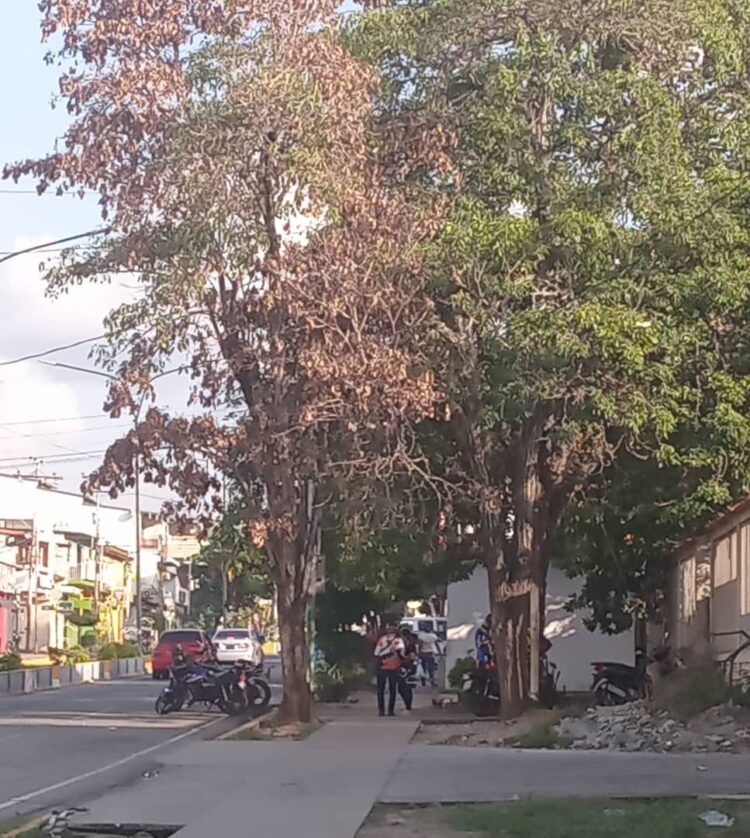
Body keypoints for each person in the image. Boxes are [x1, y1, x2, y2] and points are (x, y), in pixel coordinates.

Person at [373, 624, 405, 717]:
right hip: (394, 667)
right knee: (392, 690)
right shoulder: (399, 640)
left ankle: (381, 711)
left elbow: (376, 653)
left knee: (380, 690)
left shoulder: (382, 639)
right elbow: (402, 653)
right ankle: (391, 711)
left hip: (382, 667)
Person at [398, 629, 419, 711]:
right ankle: (407, 703)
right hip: (404, 667)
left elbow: (412, 657)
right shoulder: (403, 645)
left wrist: (403, 658)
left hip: (407, 667)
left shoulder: (410, 645)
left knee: (405, 686)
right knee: (403, 687)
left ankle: (408, 704)